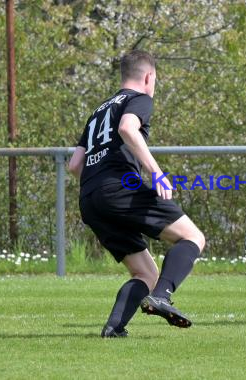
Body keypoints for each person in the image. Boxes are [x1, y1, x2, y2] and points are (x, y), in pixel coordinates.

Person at [68, 50, 205, 337]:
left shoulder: (98, 111)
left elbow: (74, 164)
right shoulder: (138, 99)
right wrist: (156, 173)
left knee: (145, 273)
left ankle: (114, 328)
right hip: (118, 187)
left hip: (90, 197)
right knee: (193, 237)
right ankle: (162, 296)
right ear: (148, 76)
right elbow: (128, 128)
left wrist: (100, 190)